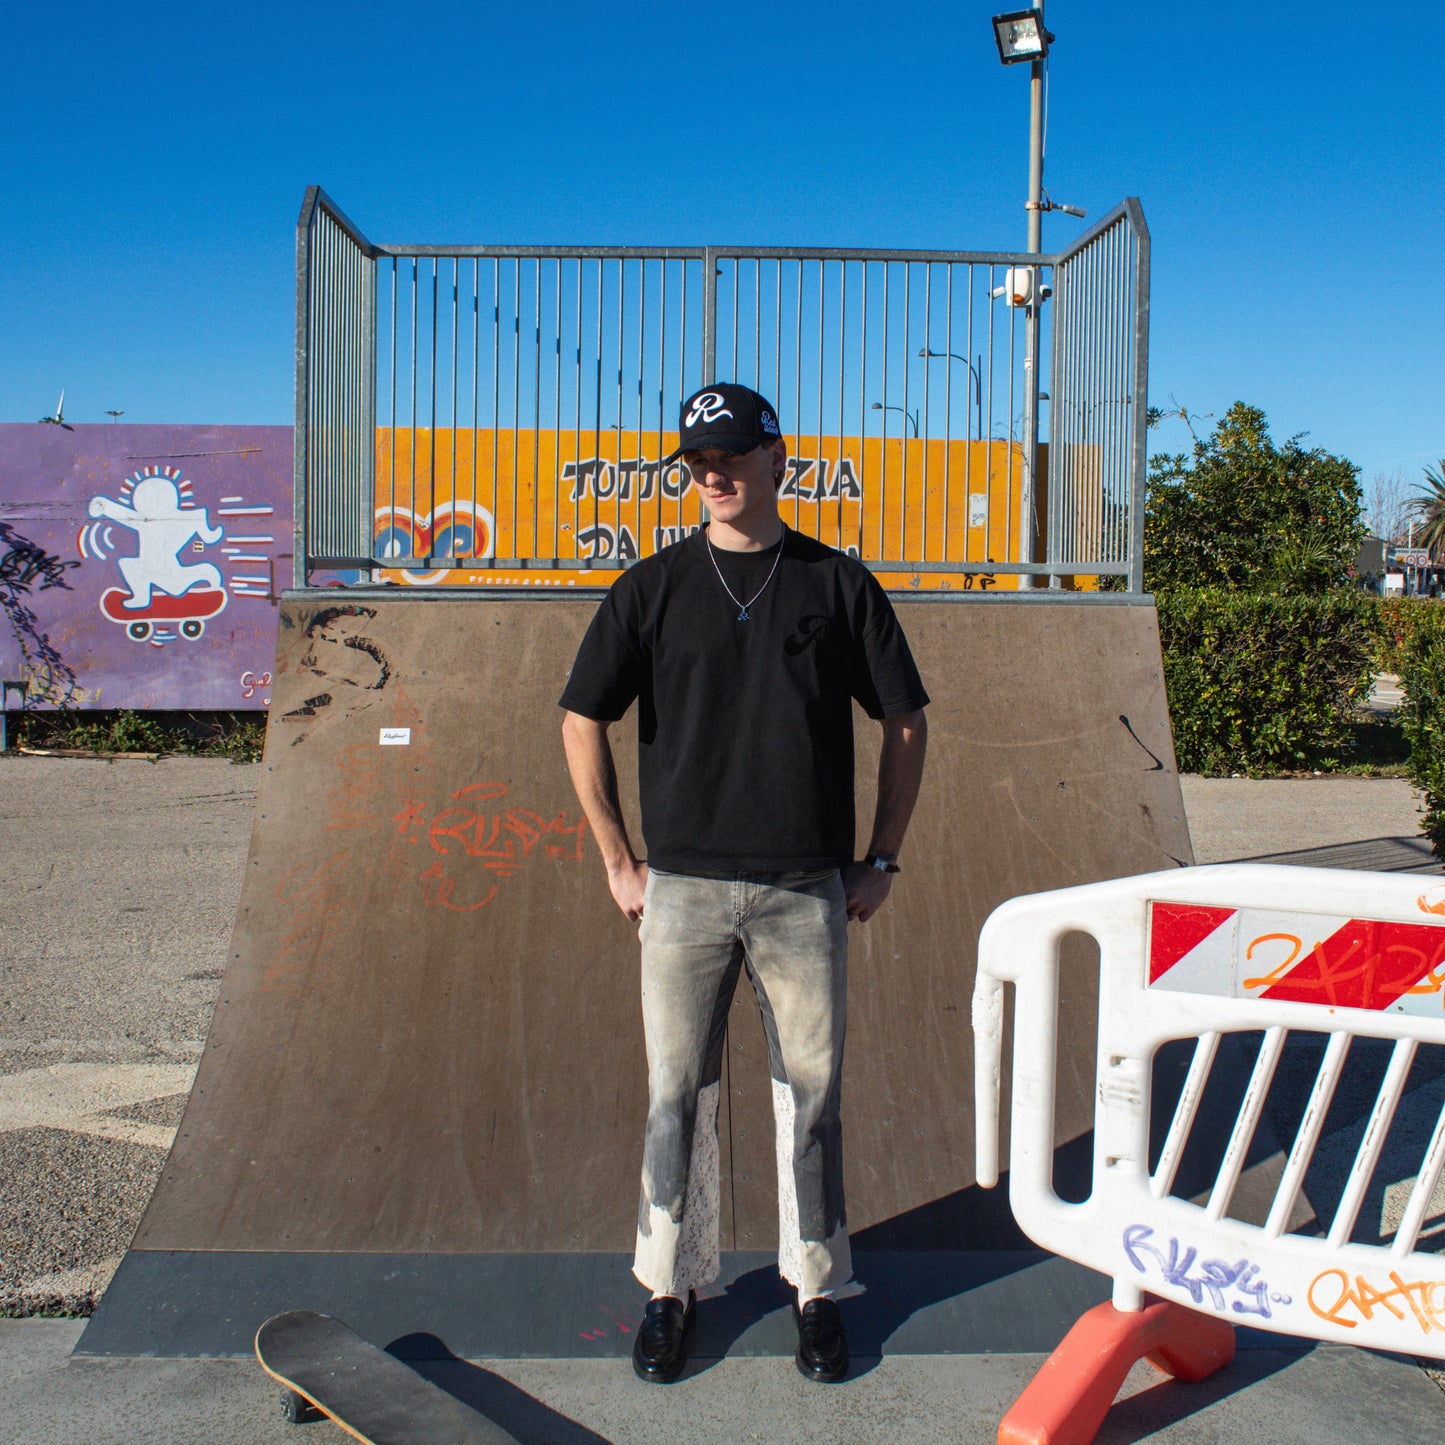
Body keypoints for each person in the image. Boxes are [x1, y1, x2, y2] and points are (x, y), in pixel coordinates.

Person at [559, 382, 929, 1385]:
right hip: (679, 889)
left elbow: (903, 718)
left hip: (805, 887)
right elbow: (579, 716)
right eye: (695, 461)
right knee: (674, 1089)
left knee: (809, 1094)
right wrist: (617, 860)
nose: (711, 474)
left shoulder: (835, 584)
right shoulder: (651, 587)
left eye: (729, 455)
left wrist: (880, 854)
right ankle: (671, 1287)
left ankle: (815, 1289)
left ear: (777, 458)